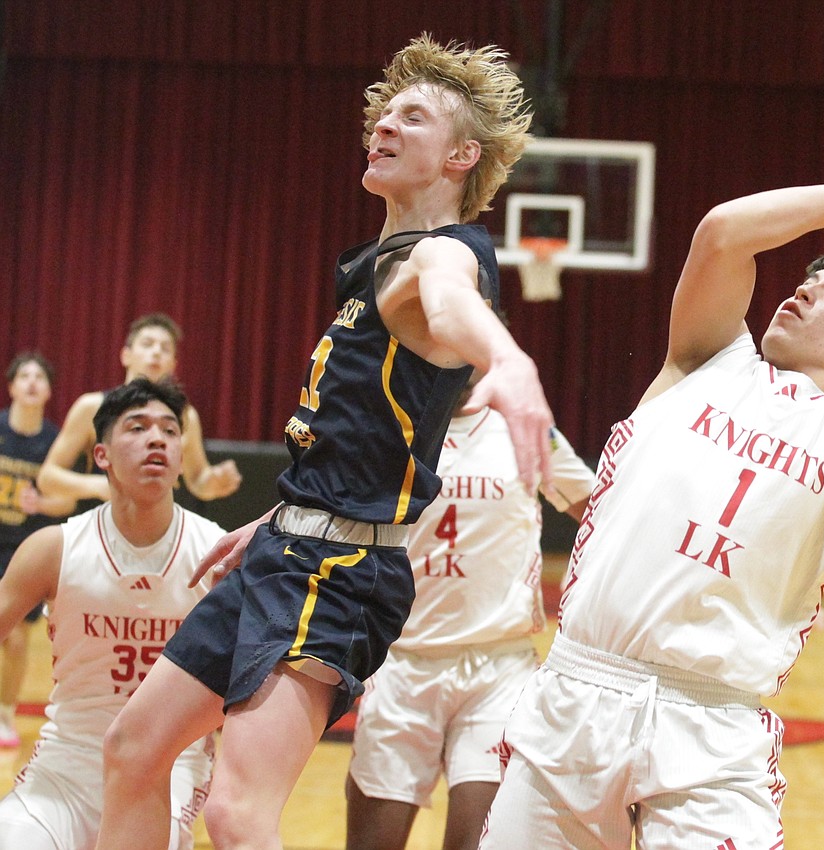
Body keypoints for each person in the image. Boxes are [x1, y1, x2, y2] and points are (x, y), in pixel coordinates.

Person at [478, 163, 824, 849]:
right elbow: (722, 234)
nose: (804, 291)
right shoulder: (704, 363)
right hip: (578, 693)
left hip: (713, 728)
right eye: (806, 280)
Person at [96, 34, 552, 850]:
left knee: (237, 815)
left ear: (460, 157)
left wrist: (507, 359)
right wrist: (282, 516)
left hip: (336, 574)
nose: (383, 122)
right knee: (133, 750)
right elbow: (357, 430)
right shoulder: (378, 266)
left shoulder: (443, 257)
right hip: (291, 546)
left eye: (412, 116)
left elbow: (450, 301)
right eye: (382, 110)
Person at [345, 396, 594, 850]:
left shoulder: (527, 427)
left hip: (497, 669)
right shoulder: (389, 427)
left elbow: (598, 508)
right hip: (402, 663)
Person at [0, 378, 225, 850]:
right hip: (68, 762)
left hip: (168, 764)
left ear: (182, 457)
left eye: (169, 430)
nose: (157, 439)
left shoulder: (216, 554)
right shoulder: (53, 549)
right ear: (101, 455)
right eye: (138, 428)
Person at [36, 312, 242, 505]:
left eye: (165, 348)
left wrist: (215, 481)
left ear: (173, 363)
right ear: (126, 355)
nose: (156, 352)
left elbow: (198, 479)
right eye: (147, 344)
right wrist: (101, 486)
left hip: (159, 531)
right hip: (102, 526)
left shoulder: (185, 415)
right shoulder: (92, 406)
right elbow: (48, 477)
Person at [0, 353, 75, 749]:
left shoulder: (54, 441)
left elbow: (65, 502)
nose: (31, 382)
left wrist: (41, 504)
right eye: (23, 375)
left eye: (39, 377)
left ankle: (5, 714)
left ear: (47, 390)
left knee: (14, 637)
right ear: (11, 386)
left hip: (24, 548)